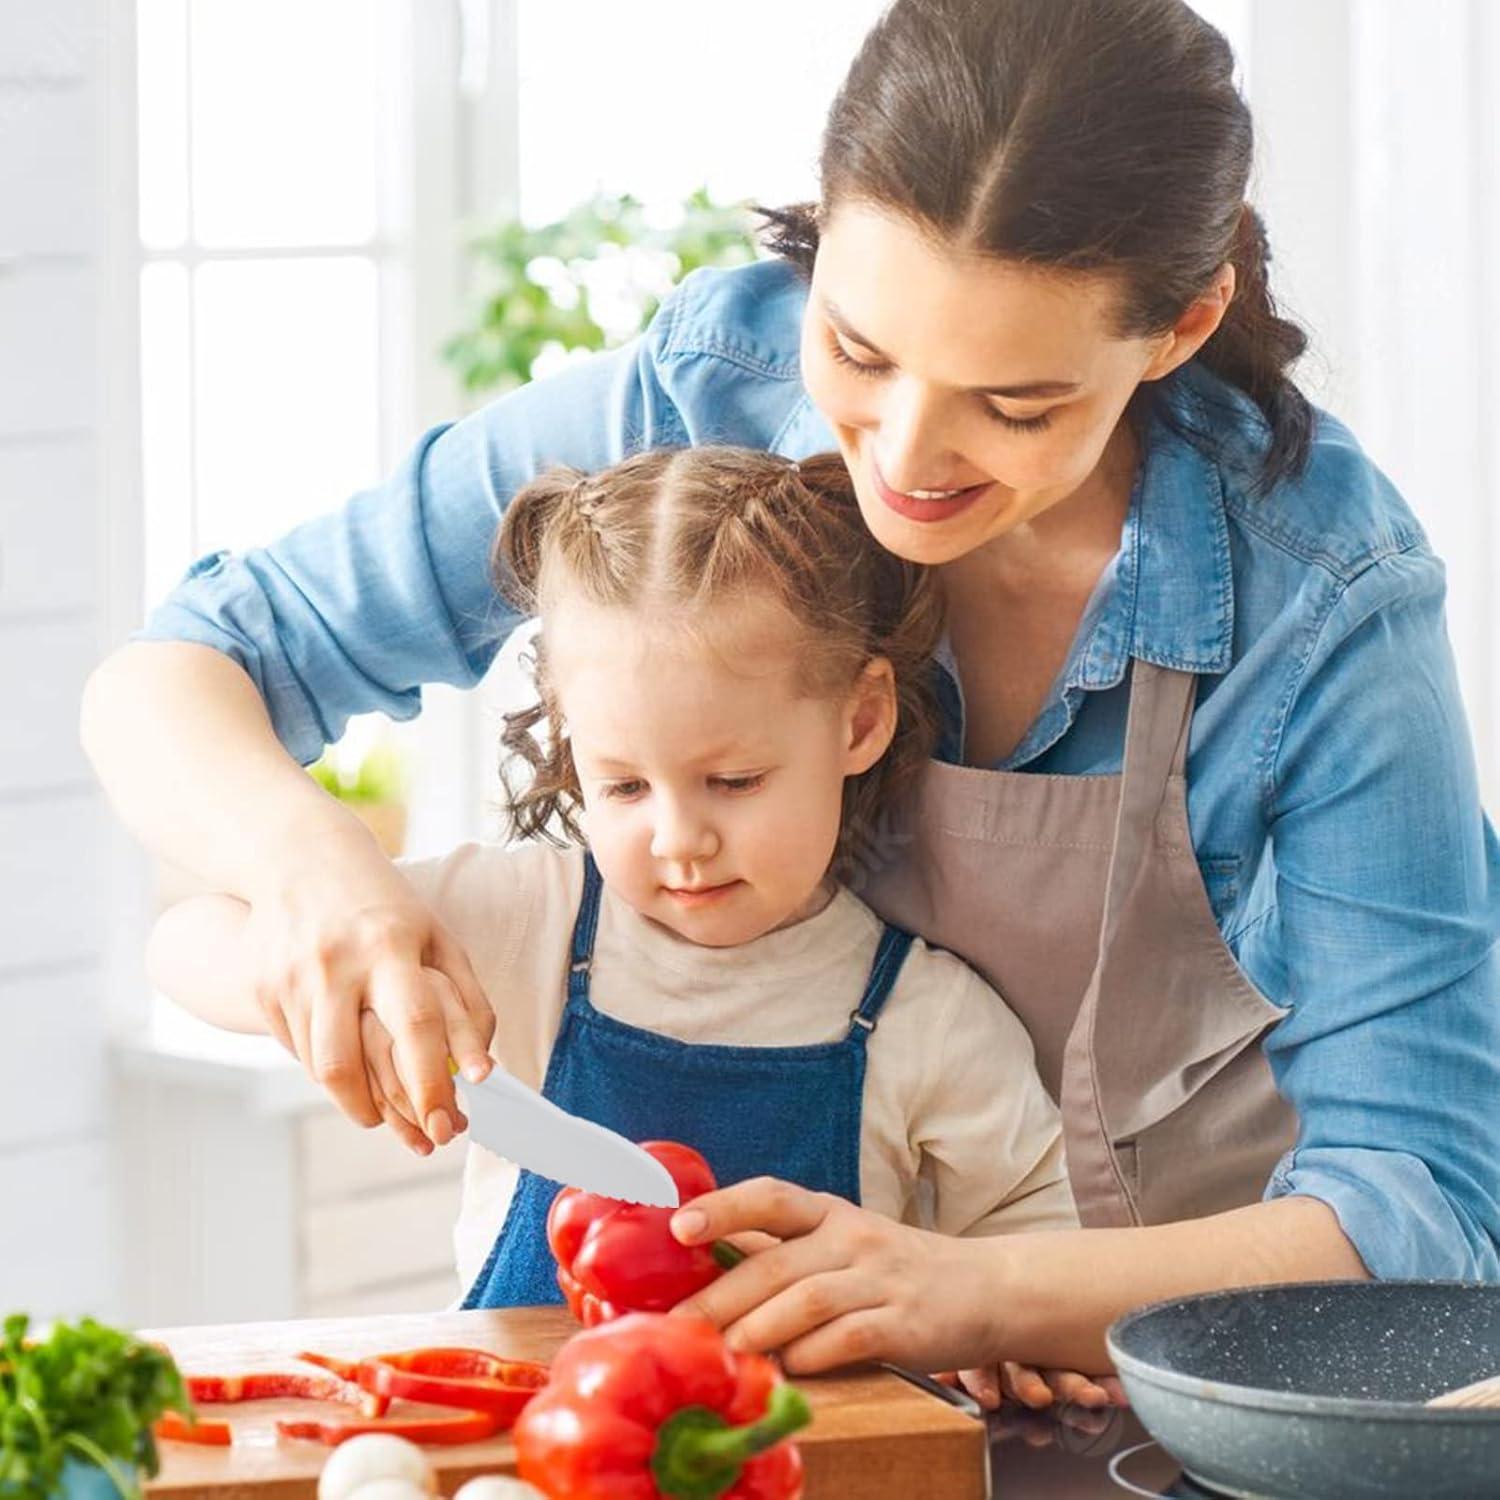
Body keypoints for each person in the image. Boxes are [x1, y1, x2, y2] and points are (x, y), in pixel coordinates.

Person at [83, 0, 1499, 1384]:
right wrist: (324, 881)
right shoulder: (702, 400)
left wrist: (975, 1292)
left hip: (1160, 1414)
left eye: (1016, 406)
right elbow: (186, 666)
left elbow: (1424, 1217)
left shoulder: (1324, 593)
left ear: (1180, 328)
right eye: (859, 353)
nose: (906, 458)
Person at [146, 446, 1091, 1410]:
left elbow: (1040, 1231)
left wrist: (1008, 1334)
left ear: (859, 722)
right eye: (625, 785)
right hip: (524, 1451)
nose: (680, 839)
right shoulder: (528, 923)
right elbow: (184, 940)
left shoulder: (927, 1016)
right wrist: (342, 981)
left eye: (734, 781)